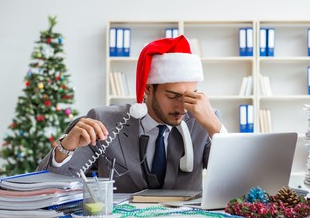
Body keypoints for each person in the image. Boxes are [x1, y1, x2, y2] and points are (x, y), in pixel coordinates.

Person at [37, 35, 227, 193]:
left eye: (190, 96)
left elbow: (239, 184)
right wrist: (66, 147)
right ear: (148, 89)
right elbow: (48, 186)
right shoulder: (103, 121)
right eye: (172, 96)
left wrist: (215, 127)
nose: (182, 107)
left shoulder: (205, 121)